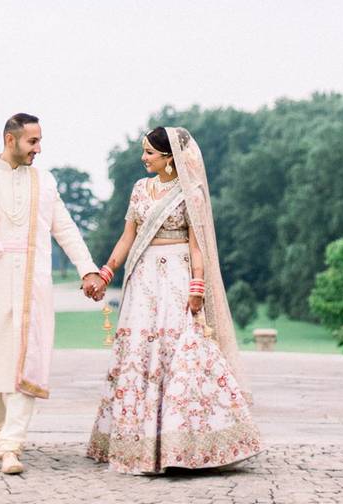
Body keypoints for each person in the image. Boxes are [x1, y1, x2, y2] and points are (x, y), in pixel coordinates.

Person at [86, 126, 261, 474]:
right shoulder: (139, 189)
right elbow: (127, 238)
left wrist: (197, 287)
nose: (143, 158)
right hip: (143, 281)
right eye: (144, 151)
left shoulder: (190, 193)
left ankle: (184, 446)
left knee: (181, 355)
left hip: (177, 279)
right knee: (141, 356)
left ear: (169, 157)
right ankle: (138, 445)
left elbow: (198, 246)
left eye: (149, 152)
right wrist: (106, 272)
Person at [0, 113, 106, 475]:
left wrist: (87, 269)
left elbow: (64, 227)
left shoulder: (45, 182)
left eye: (39, 141)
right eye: (32, 141)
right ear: (10, 140)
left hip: (32, 282)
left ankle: (11, 442)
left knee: (28, 359)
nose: (39, 148)